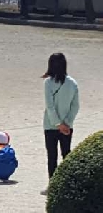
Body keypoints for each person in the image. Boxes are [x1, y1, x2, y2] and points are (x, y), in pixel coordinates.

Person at [41, 53, 79, 195]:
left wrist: (57, 124)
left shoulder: (48, 83)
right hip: (67, 127)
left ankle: (53, 186)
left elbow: (50, 106)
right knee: (66, 155)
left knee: (52, 156)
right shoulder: (73, 83)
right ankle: (68, 186)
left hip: (50, 125)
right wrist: (66, 123)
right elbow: (75, 106)